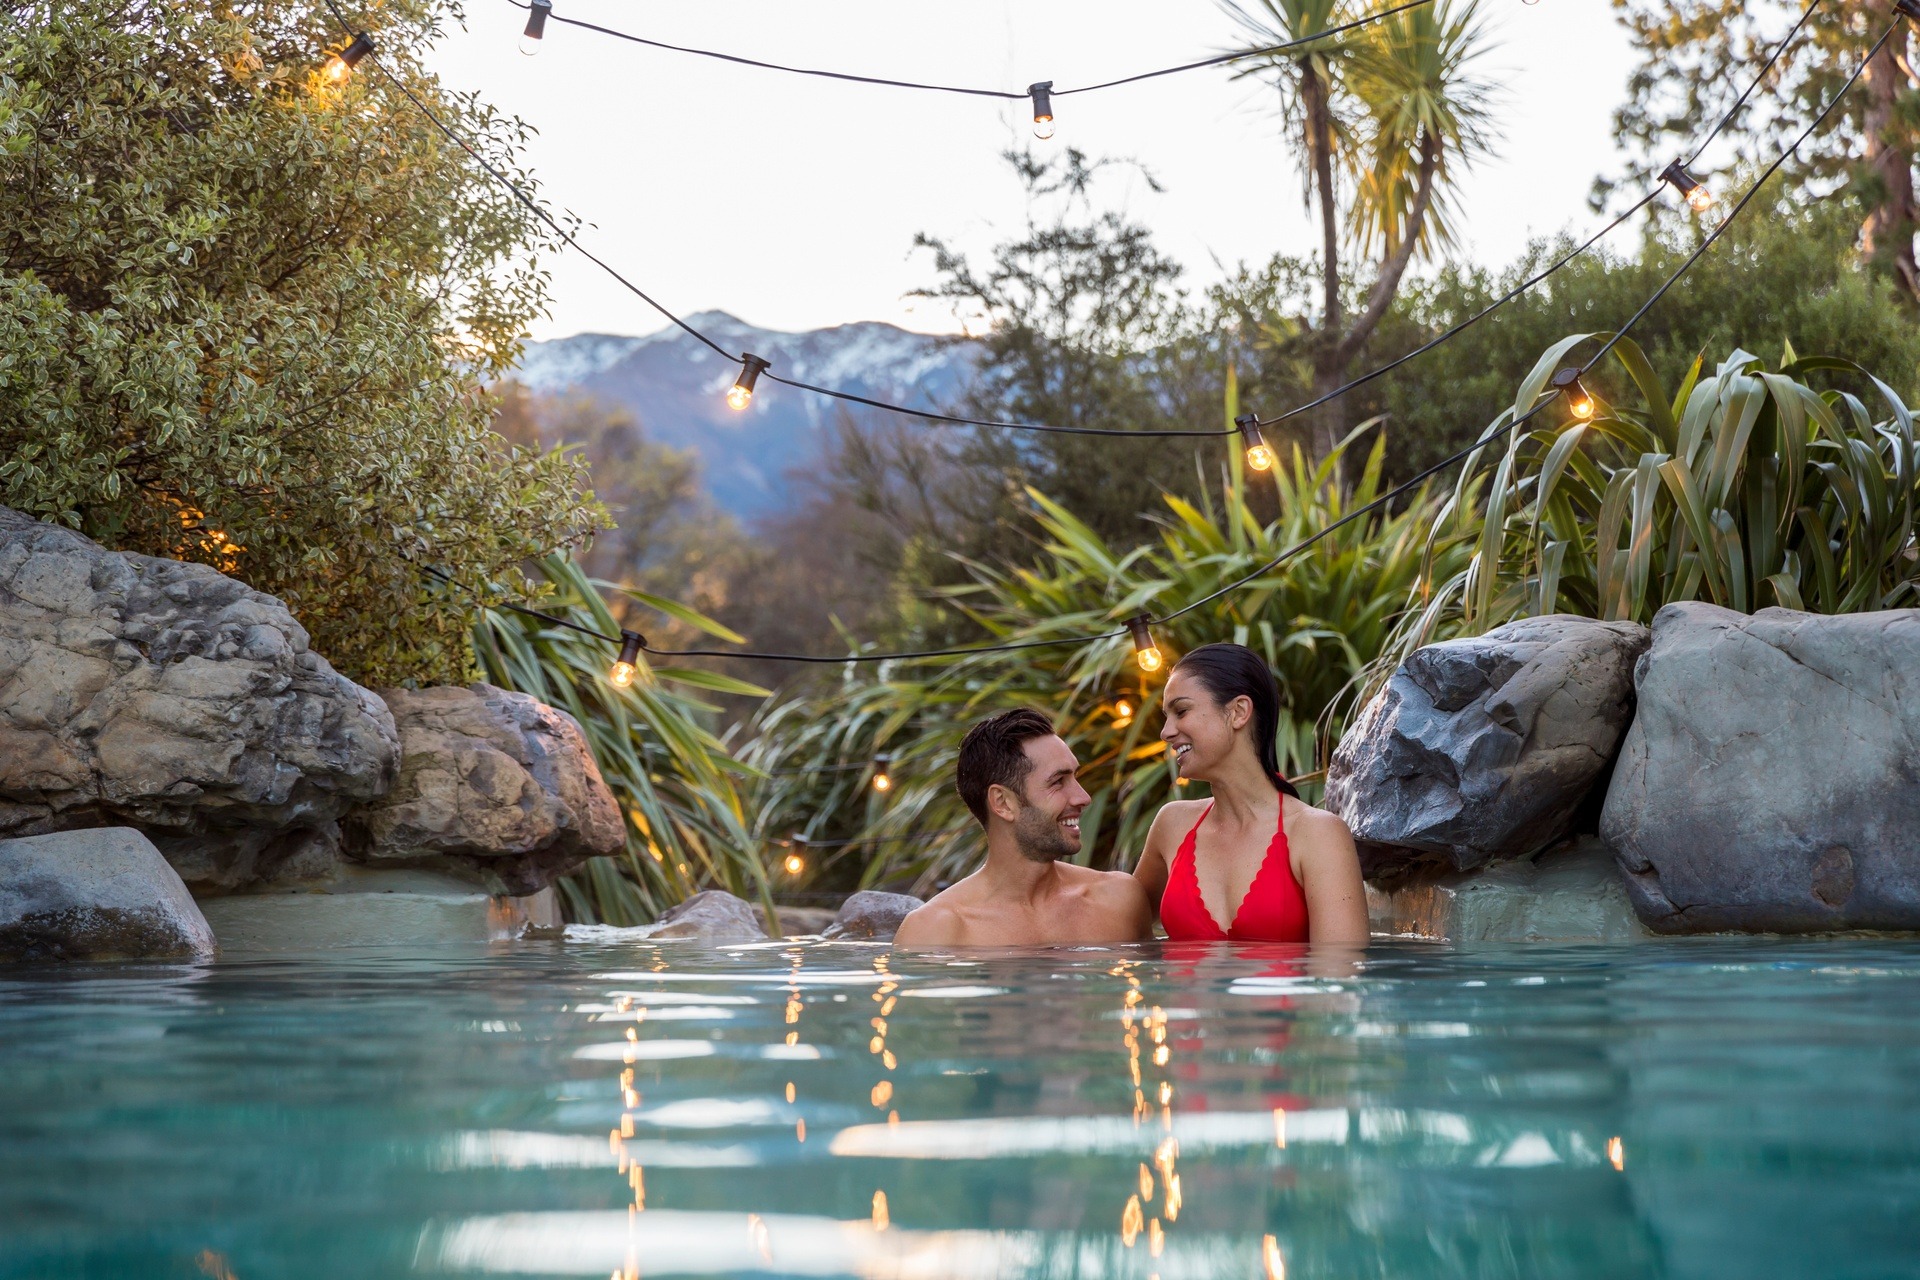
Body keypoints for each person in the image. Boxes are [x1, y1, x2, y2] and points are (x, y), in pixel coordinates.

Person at [1132, 643, 1369, 945]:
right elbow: (1118, 925)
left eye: (1181, 711)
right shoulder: (1172, 825)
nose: (1166, 732)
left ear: (1238, 712)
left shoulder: (1316, 834)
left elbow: (1339, 979)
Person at [893, 708, 1154, 947]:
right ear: (1003, 803)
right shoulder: (937, 931)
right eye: (1057, 782)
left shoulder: (1118, 900)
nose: (1083, 797)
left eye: (1076, 777)